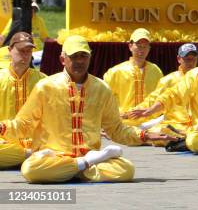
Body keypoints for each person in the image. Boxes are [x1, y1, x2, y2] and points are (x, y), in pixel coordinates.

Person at [0, 35, 172, 183]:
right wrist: (2, 128)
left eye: (84, 56)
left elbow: (116, 129)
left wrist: (144, 135)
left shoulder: (101, 89)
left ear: (90, 58)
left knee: (126, 169)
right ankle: (84, 167)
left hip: (87, 155)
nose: (80, 61)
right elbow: (24, 124)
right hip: (55, 156)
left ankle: (74, 168)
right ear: (63, 59)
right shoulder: (46, 86)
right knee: (31, 169)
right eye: (74, 57)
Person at [126, 43, 198, 141]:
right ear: (179, 59)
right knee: (160, 132)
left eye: (193, 59)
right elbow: (152, 101)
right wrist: (129, 114)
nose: (190, 62)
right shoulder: (168, 80)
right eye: (187, 59)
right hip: (175, 124)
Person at [0, 33, 47, 168]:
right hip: (4, 143)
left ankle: (24, 155)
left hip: (35, 141)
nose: (25, 55)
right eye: (21, 51)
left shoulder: (43, 81)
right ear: (10, 50)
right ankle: (30, 155)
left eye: (29, 51)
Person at [103, 28, 163, 126]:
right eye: (138, 46)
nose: (141, 50)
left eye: (145, 46)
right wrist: (119, 114)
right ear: (130, 46)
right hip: (124, 123)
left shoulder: (156, 71)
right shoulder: (115, 72)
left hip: (150, 123)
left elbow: (162, 96)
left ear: (149, 48)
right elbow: (104, 98)